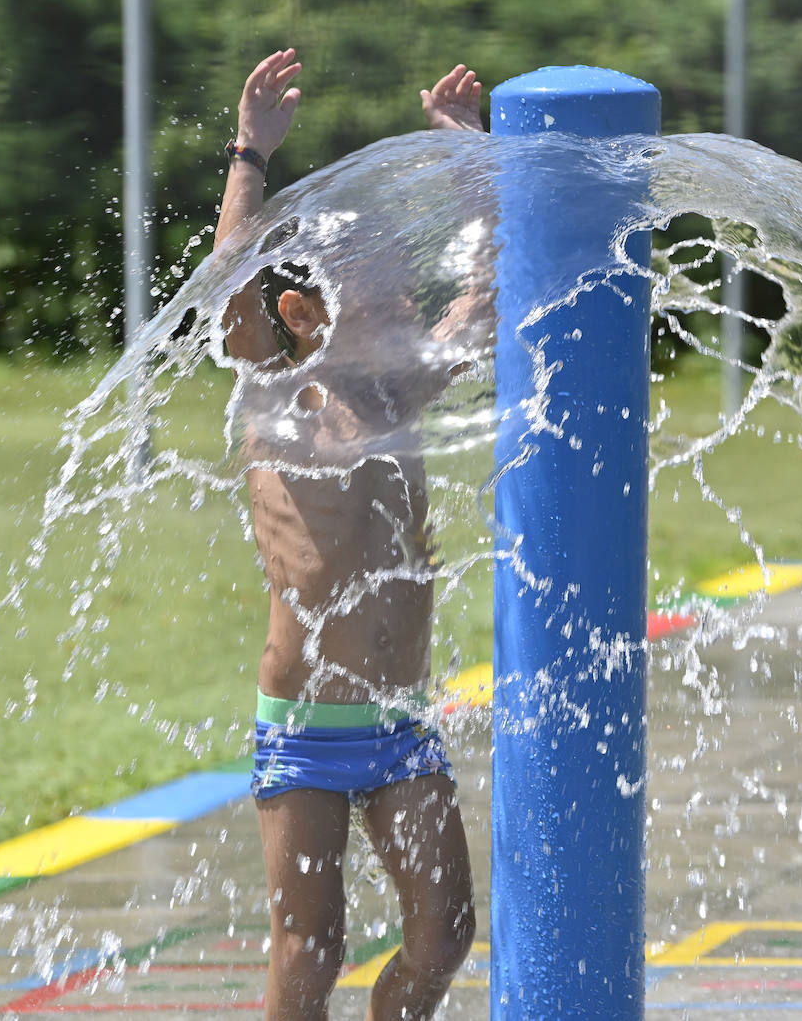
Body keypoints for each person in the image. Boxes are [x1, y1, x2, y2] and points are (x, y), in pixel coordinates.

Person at [211, 50, 485, 1021]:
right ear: (302, 313)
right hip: (309, 730)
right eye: (384, 298)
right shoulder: (278, 398)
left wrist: (474, 166)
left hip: (400, 718)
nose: (410, 309)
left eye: (406, 292)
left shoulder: (399, 391)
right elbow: (222, 289)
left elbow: (484, 302)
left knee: (445, 929)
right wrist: (251, 155)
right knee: (310, 948)